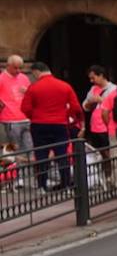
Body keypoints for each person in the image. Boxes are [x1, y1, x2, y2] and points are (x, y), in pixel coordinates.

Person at [20, 62, 82, 191]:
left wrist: (35, 116)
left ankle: (42, 186)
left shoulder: (33, 87)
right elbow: (76, 107)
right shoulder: (65, 86)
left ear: (37, 72)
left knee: (41, 155)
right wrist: (68, 117)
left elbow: (25, 108)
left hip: (39, 125)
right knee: (62, 155)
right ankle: (65, 185)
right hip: (60, 124)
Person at [0, 55, 32, 175]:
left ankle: (29, 174)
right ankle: (17, 176)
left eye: (20, 68)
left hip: (26, 117)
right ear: (8, 66)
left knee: (30, 148)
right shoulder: (2, 79)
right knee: (15, 150)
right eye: (15, 68)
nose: (18, 71)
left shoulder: (23, 77)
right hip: (11, 119)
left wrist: (28, 92)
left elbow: (32, 93)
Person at [83, 65, 116, 176]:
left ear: (101, 75)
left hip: (106, 126)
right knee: (99, 152)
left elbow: (116, 106)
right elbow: (85, 106)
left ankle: (110, 174)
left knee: (108, 152)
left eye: (93, 78)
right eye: (90, 78)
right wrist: (90, 102)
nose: (91, 81)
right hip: (94, 126)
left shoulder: (114, 89)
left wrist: (102, 100)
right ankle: (102, 174)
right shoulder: (93, 89)